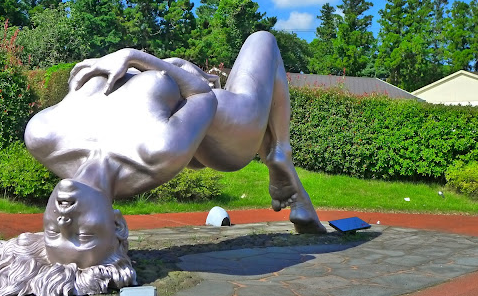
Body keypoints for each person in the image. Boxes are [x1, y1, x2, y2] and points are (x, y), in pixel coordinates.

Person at [24, 31, 326, 270]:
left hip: (183, 118)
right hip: (225, 129)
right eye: (83, 235)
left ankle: (290, 178)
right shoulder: (154, 152)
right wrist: (134, 56)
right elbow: (203, 95)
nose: (65, 220)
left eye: (53, 233)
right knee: (263, 40)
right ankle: (279, 152)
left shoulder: (42, 135)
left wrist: (168, 66)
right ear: (115, 224)